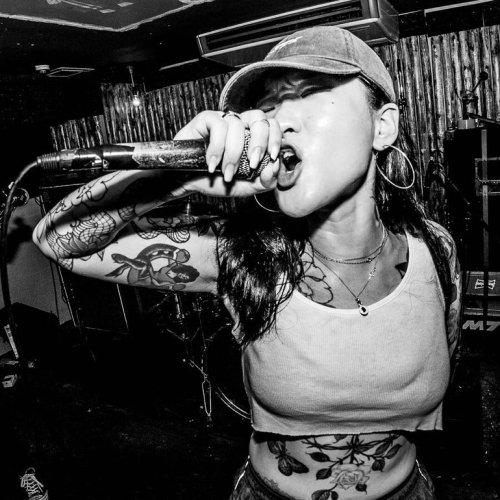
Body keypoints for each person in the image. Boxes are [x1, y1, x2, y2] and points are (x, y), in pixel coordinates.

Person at [33, 26, 462, 500]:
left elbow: (451, 353)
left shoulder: (435, 250)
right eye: (269, 105)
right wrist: (171, 176)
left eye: (308, 93)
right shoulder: (240, 252)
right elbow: (58, 241)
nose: (280, 121)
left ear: (383, 126)